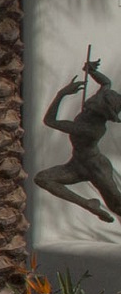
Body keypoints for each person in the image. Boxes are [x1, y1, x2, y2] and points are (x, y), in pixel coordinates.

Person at [36, 56, 121, 222]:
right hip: (76, 164)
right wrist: (91, 70)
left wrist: (62, 94)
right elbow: (106, 83)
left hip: (95, 166)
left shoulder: (89, 129)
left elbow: (50, 121)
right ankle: (88, 204)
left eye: (98, 99)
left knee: (117, 205)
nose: (95, 97)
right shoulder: (93, 110)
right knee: (43, 178)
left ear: (102, 109)